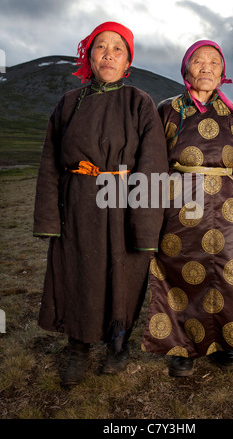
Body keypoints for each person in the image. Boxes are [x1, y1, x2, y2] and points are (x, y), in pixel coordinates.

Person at [33, 21, 168, 387]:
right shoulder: (67, 104)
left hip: (124, 202)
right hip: (77, 205)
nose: (108, 54)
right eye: (100, 47)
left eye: (117, 49)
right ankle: (78, 346)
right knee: (78, 273)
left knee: (123, 273)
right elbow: (50, 162)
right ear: (89, 56)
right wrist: (49, 217)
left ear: (128, 62)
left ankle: (118, 346)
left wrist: (145, 225)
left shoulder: (139, 102)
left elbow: (153, 163)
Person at [142, 40, 233, 376]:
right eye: (198, 61)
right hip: (181, 209)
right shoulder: (169, 110)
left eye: (214, 62)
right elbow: (153, 162)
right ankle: (183, 349)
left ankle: (227, 343)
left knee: (230, 277)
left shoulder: (232, 114)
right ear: (186, 69)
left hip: (227, 209)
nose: (206, 67)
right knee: (182, 275)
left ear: (223, 72)